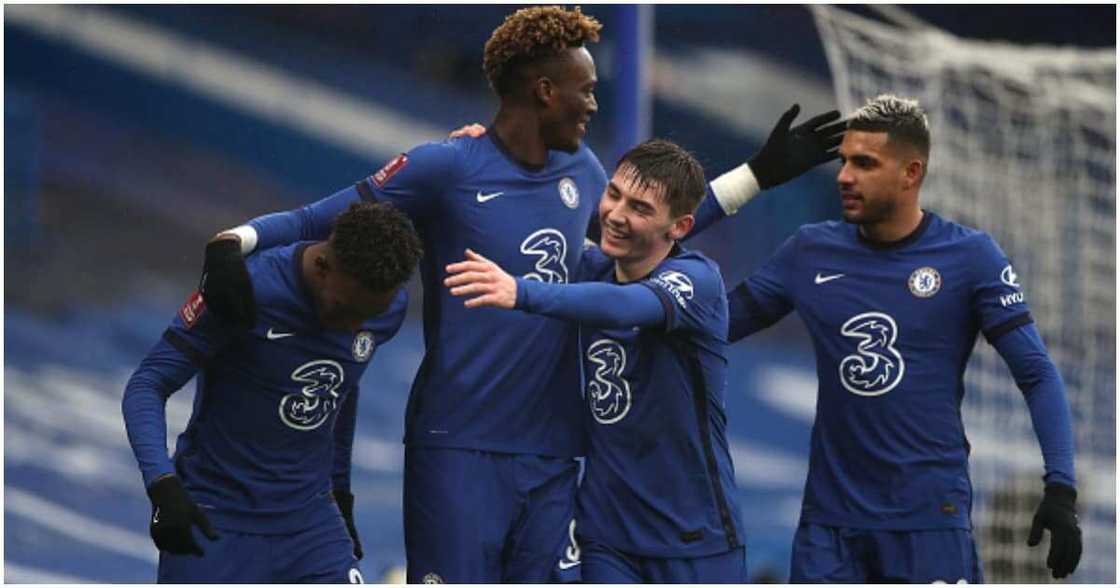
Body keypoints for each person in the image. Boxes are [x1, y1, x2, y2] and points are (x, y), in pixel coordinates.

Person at [195, 6, 844, 582]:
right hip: (458, 448)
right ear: (544, 90)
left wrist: (755, 176)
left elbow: (645, 237)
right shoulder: (445, 166)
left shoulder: (583, 171)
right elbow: (324, 217)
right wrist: (238, 240)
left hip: (553, 457)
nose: (594, 104)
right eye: (585, 91)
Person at [725, 94, 1081, 582]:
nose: (845, 176)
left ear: (911, 173)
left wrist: (1061, 488)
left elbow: (1037, 374)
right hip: (830, 530)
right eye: (844, 160)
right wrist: (745, 182)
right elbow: (710, 323)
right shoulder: (809, 251)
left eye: (864, 163)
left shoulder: (971, 257)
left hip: (929, 524)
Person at [443, 139, 747, 583]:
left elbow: (624, 307)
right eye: (613, 194)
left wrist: (521, 292)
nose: (616, 214)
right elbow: (533, 207)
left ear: (680, 227)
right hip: (607, 537)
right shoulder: (591, 267)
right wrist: (489, 148)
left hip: (697, 538)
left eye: (640, 208)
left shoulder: (697, 281)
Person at [122, 202, 424, 583]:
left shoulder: (381, 308)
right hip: (217, 518)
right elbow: (147, 384)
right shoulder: (247, 288)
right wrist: (163, 486)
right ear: (322, 267)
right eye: (346, 310)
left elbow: (339, 387)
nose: (354, 327)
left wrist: (341, 494)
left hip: (310, 523)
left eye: (367, 316)